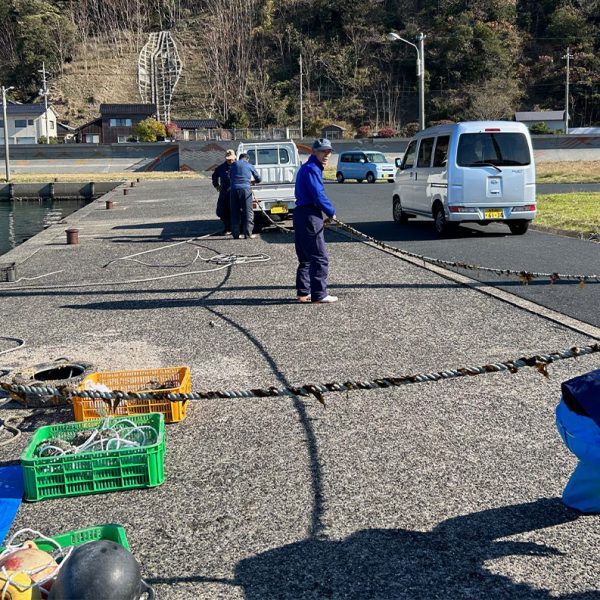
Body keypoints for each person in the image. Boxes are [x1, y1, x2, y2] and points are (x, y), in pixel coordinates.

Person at [293, 138, 338, 304]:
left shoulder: (306, 167)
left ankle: (303, 292)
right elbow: (318, 195)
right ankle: (319, 294)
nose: (326, 154)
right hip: (310, 214)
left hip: (300, 214)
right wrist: (331, 212)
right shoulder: (312, 169)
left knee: (305, 257)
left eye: (328, 151)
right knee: (320, 256)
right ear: (314, 152)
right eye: (322, 151)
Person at [229, 153, 261, 239]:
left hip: (234, 189)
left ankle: (235, 234)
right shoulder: (249, 165)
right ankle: (247, 234)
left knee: (234, 212)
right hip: (245, 190)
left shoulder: (233, 165)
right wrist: (254, 181)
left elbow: (230, 176)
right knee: (247, 211)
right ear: (247, 159)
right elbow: (258, 178)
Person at [212, 149, 236, 234]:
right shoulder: (221, 168)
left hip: (235, 193)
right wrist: (216, 185)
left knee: (234, 211)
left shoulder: (238, 166)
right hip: (224, 193)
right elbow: (214, 176)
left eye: (231, 159)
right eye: (228, 159)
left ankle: (234, 228)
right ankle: (227, 227)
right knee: (221, 211)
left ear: (235, 158)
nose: (230, 160)